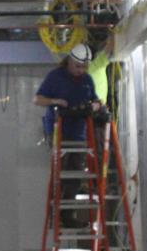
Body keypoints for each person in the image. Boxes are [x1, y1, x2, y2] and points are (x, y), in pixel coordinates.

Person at [34, 44, 101, 228]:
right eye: (78, 66)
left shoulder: (87, 80)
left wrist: (95, 105)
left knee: (75, 176)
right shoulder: (55, 77)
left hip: (79, 134)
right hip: (59, 132)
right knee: (60, 174)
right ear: (70, 62)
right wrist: (55, 101)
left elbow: (95, 99)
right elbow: (37, 99)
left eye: (84, 67)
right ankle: (54, 214)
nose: (81, 70)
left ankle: (67, 215)